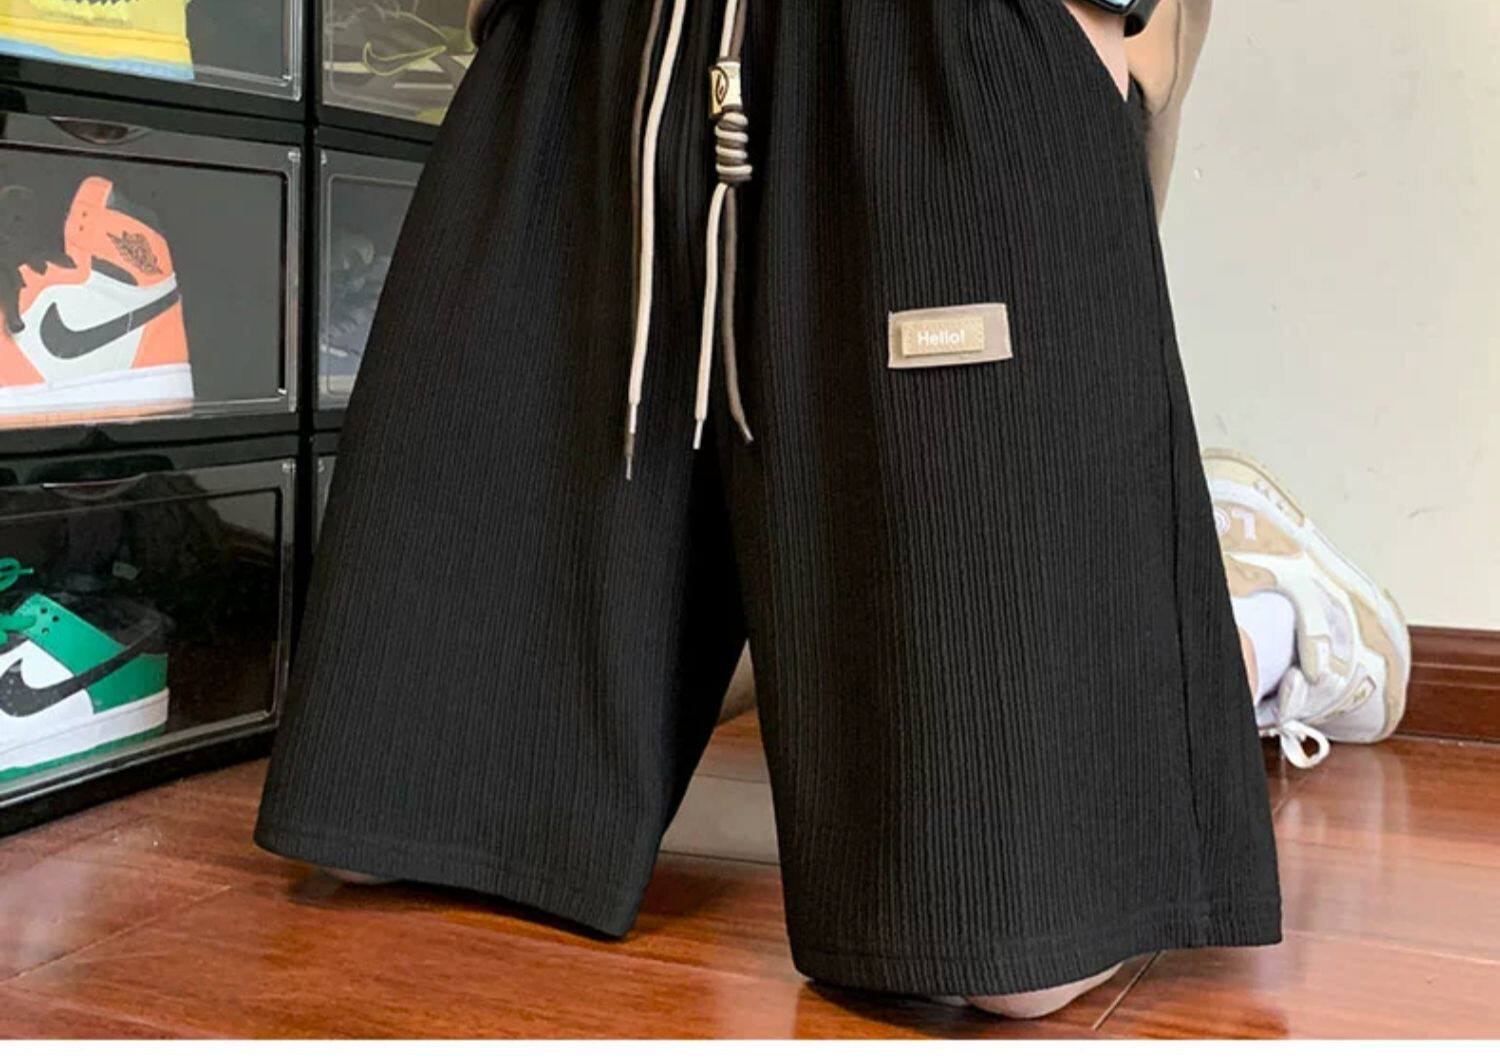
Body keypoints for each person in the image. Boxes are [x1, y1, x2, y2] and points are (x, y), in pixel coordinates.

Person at [256, 0, 1298, 1021]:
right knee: (393, 819)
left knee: (1008, 957)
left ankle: (1272, 617)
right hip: (598, 36)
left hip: (942, 31)